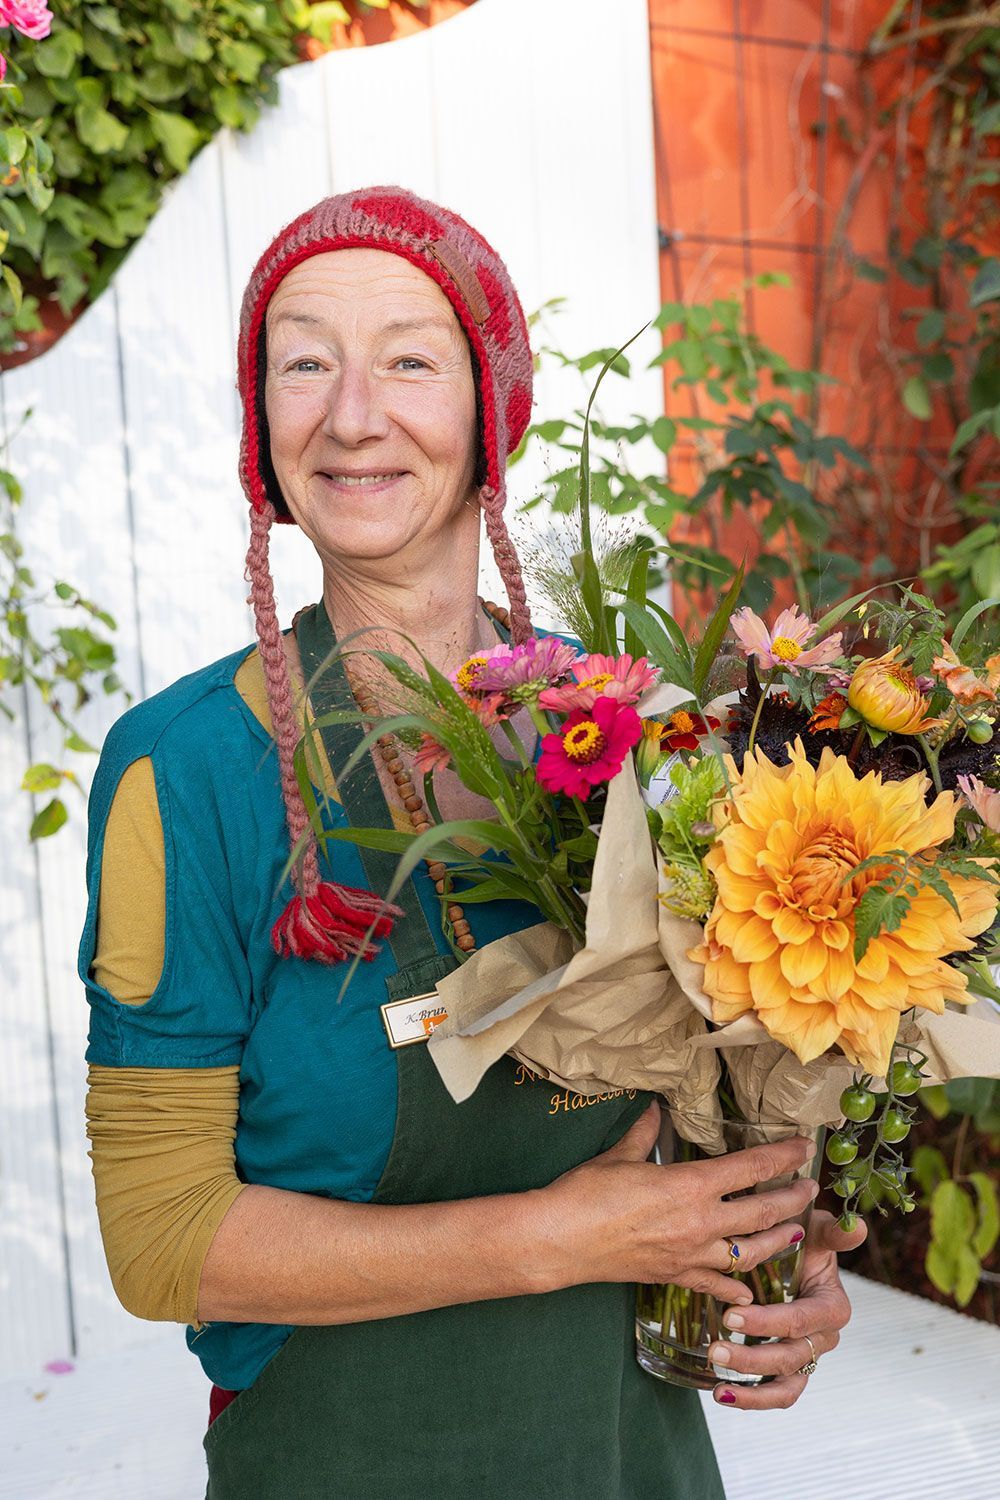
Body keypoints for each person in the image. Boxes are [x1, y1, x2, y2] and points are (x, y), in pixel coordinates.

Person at [79, 186, 866, 1499]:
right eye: (304, 364)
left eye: (408, 361)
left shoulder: (648, 737)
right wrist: (552, 1239)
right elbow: (163, 1237)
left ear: (492, 410)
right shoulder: (185, 771)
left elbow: (713, 1115)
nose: (350, 416)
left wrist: (779, 1273)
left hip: (627, 1460)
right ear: (262, 424)